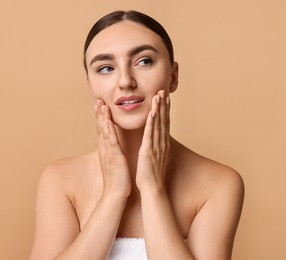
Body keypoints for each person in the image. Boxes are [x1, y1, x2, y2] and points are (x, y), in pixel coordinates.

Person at [30, 10, 244, 260]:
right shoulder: (60, 180)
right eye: (106, 68)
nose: (125, 82)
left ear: (173, 77)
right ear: (90, 83)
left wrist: (153, 190)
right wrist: (113, 194)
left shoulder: (218, 183)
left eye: (144, 61)